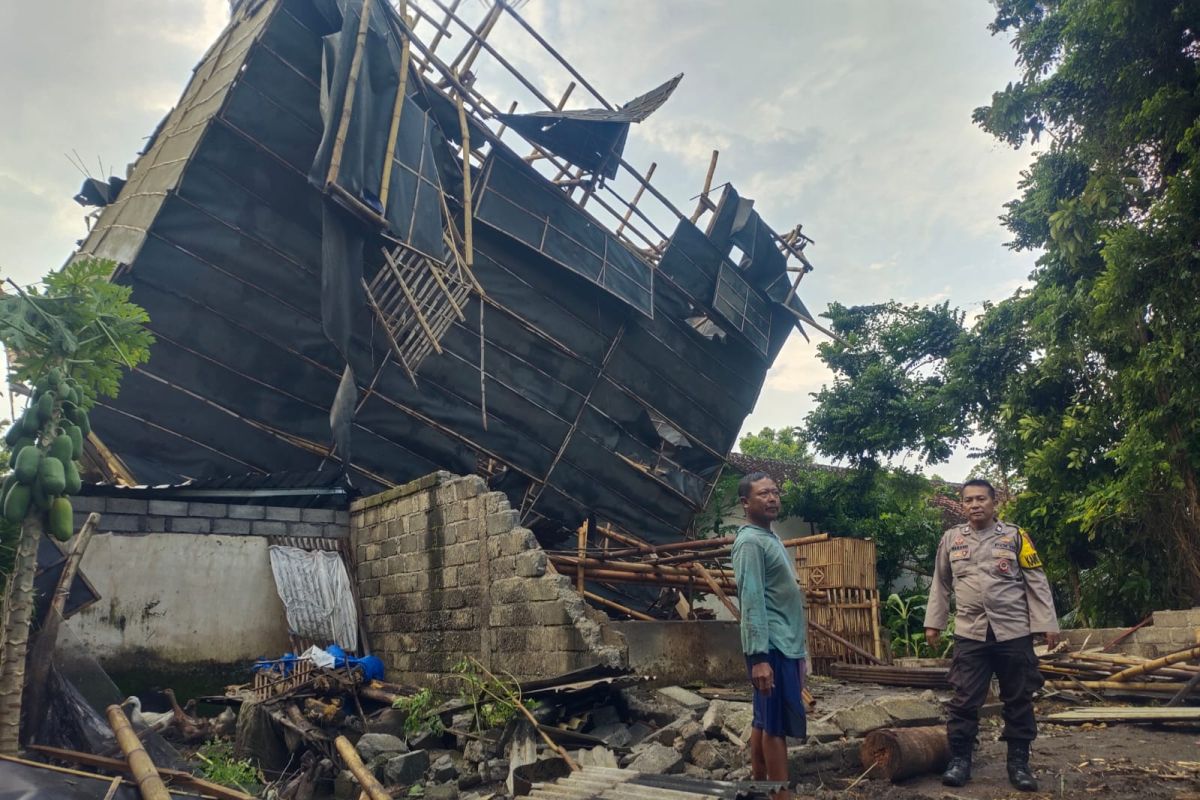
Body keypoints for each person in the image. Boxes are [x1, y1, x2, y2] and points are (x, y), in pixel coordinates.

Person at [924, 478, 1060, 792]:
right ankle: (960, 761)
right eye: (968, 500)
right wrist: (935, 622)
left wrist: (1047, 623)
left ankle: (1019, 764)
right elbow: (941, 583)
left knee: (1019, 698)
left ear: (993, 502)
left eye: (981, 499)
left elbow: (1036, 580)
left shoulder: (1015, 536)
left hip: (1013, 632)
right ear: (962, 504)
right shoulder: (951, 539)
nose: (975, 505)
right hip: (970, 634)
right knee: (963, 700)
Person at [731, 472, 806, 800]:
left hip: (783, 644)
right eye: (763, 494)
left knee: (763, 720)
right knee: (775, 725)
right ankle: (780, 795)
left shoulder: (768, 536)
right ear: (746, 502)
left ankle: (758, 786)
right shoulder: (750, 542)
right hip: (770, 646)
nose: (773, 498)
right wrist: (759, 658)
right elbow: (751, 600)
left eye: (775, 492)